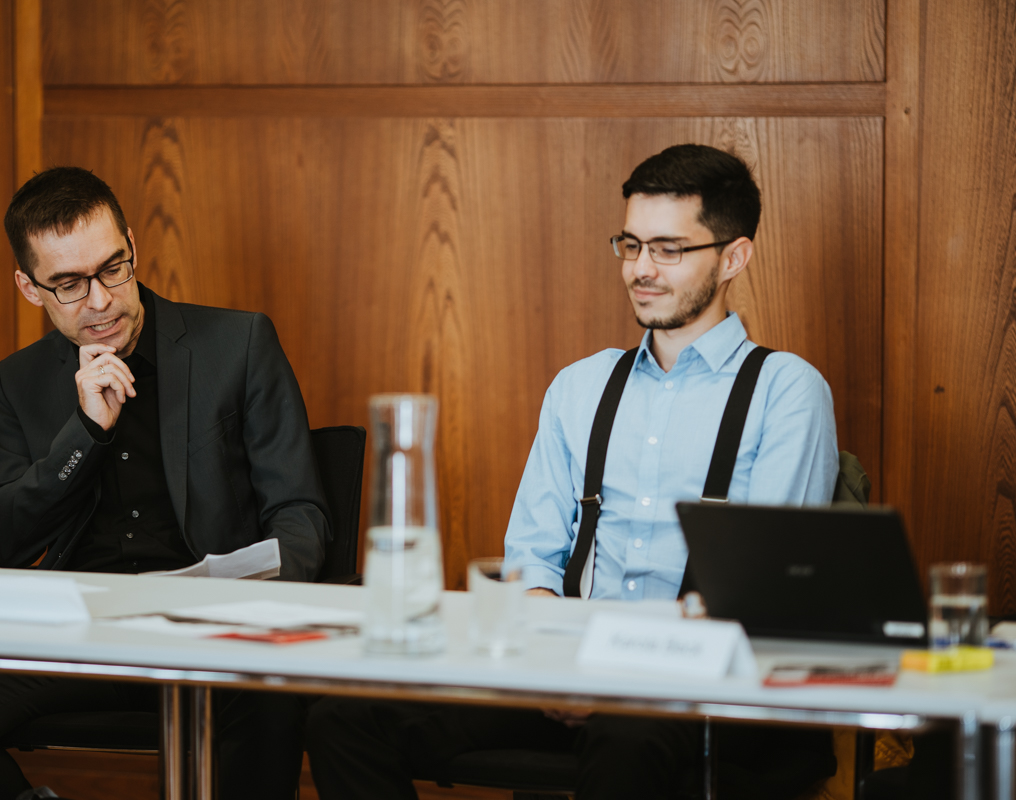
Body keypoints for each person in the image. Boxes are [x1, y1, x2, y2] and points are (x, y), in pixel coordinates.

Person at [306, 144, 840, 799]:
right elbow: (531, 557)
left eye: (669, 250)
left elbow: (760, 597)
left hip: (707, 690)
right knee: (346, 718)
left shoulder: (787, 391)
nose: (641, 270)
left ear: (733, 257)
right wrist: (551, 666)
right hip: (567, 671)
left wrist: (619, 678)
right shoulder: (580, 387)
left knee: (629, 740)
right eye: (631, 244)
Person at [0, 167, 330, 800]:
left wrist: (253, 609)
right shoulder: (16, 382)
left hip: (214, 631)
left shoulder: (236, 344)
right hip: (82, 635)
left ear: (132, 244)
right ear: (28, 286)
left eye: (112, 268)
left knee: (273, 700)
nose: (99, 300)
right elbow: (1, 537)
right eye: (68, 285)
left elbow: (301, 512)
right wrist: (85, 433)